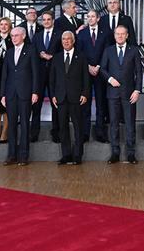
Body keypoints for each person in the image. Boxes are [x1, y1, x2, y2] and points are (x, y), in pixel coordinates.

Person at [99, 24, 139, 164]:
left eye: (123, 34)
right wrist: (110, 79)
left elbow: (139, 72)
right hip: (113, 93)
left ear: (127, 35)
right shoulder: (108, 50)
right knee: (114, 123)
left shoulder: (134, 50)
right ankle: (115, 153)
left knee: (130, 124)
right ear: (114, 35)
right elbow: (102, 69)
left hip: (130, 93)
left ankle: (131, 154)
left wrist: (137, 90)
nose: (120, 36)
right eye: (117, 34)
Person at [0, 25, 38, 165]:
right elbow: (5, 74)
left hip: (26, 93)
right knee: (12, 125)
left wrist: (35, 91)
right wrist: (2, 94)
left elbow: (35, 73)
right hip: (10, 94)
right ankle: (11, 155)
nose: (13, 38)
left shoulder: (31, 50)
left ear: (23, 36)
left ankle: (23, 156)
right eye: (12, 36)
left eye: (16, 35)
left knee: (25, 125)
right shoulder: (8, 52)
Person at [50, 30, 87, 165]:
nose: (65, 41)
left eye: (68, 39)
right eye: (63, 39)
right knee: (63, 127)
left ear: (73, 41)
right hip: (60, 98)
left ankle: (77, 155)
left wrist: (85, 93)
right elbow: (52, 79)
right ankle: (66, 155)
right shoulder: (57, 57)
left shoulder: (81, 57)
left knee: (78, 127)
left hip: (76, 97)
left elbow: (86, 78)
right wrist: (53, 95)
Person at [77, 9, 106, 144]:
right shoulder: (82, 34)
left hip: (101, 72)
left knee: (101, 103)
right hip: (85, 72)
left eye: (93, 16)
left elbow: (107, 52)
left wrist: (98, 66)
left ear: (98, 18)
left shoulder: (105, 33)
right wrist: (88, 66)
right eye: (88, 17)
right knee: (85, 104)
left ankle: (100, 133)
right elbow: (79, 52)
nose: (90, 19)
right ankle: (84, 133)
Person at [32, 10, 59, 142]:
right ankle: (34, 133)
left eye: (49, 19)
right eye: (44, 20)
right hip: (39, 74)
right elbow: (33, 53)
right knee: (36, 104)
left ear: (53, 20)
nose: (46, 22)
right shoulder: (37, 36)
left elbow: (63, 52)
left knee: (56, 103)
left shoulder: (59, 35)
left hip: (55, 74)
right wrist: (40, 55)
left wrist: (52, 57)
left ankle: (56, 132)